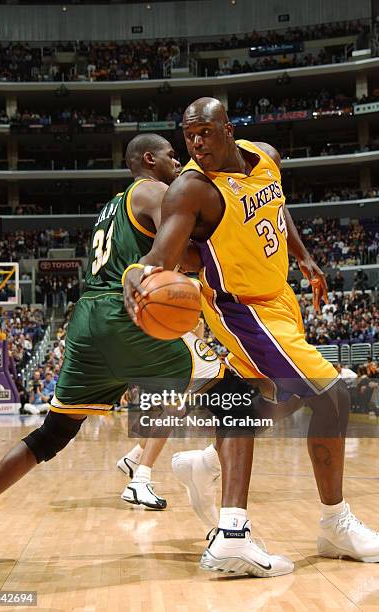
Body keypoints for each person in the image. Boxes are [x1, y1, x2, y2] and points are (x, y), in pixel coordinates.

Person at [124, 97, 379, 575]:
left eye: (205, 132)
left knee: (263, 396)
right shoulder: (192, 190)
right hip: (241, 309)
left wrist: (303, 257)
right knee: (333, 396)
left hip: (280, 295)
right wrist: (139, 274)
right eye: (189, 136)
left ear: (227, 128)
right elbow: (162, 254)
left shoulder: (265, 157)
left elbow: (278, 212)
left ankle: (211, 473)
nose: (197, 144)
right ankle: (334, 523)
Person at [0, 133, 227, 519]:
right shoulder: (157, 191)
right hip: (126, 311)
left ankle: (137, 463)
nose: (177, 163)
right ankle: (218, 504)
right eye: (171, 155)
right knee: (231, 382)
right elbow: (178, 254)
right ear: (150, 159)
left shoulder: (110, 207)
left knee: (53, 434)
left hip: (86, 319)